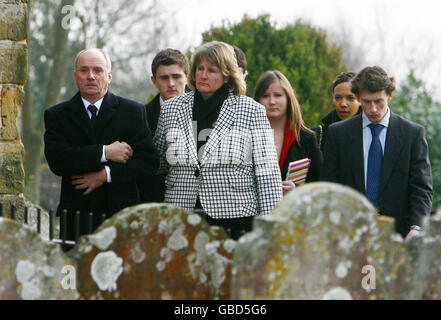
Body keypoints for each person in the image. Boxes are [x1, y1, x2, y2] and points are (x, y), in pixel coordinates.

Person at [154, 41, 282, 239]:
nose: (203, 75)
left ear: (227, 75)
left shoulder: (251, 110)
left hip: (235, 215)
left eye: (212, 70)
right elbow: (158, 161)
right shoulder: (172, 108)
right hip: (181, 214)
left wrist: (269, 231)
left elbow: (268, 175)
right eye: (200, 68)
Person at [44, 48, 159, 248]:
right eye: (84, 70)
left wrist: (105, 174)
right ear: (75, 76)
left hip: (120, 216)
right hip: (77, 218)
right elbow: (58, 161)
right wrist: (105, 152)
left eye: (97, 70)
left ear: (109, 76)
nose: (90, 76)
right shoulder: (57, 115)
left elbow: (147, 163)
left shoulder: (132, 112)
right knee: (78, 277)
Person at [323, 66, 433, 239]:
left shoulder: (412, 134)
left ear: (389, 95)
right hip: (350, 234)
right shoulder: (338, 134)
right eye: (366, 102)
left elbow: (421, 188)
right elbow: (330, 186)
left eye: (378, 101)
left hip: (400, 235)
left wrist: (416, 227)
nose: (373, 109)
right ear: (358, 98)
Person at [254, 70, 321, 195]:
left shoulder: (306, 138)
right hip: (254, 212)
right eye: (265, 96)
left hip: (293, 210)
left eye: (278, 95)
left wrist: (296, 190)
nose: (272, 102)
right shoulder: (246, 136)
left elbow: (319, 184)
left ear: (288, 98)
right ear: (257, 100)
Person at [138, 48, 190, 203]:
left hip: (199, 204)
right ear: (154, 81)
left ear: (187, 77)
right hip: (154, 201)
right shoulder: (141, 117)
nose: (171, 84)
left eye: (176, 76)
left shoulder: (207, 112)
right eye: (164, 78)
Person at [312, 72, 361, 152]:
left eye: (350, 98)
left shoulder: (370, 135)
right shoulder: (317, 136)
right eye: (338, 98)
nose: (343, 104)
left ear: (360, 100)